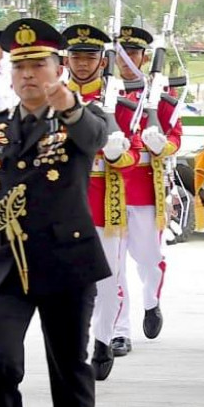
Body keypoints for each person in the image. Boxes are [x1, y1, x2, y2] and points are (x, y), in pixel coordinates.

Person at [0, 19, 112, 407]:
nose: (29, 75)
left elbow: (97, 141)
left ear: (59, 70)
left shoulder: (79, 119)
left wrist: (68, 106)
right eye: (21, 66)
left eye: (39, 65)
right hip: (6, 264)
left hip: (66, 263)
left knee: (70, 369)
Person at [62, 24, 134, 379]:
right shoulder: (54, 98)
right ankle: (73, 344)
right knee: (67, 284)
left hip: (106, 200)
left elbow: (133, 156)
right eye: (76, 56)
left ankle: (104, 340)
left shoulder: (119, 104)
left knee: (108, 279)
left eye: (90, 57)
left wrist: (117, 154)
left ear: (101, 61)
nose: (83, 63)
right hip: (65, 201)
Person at [110, 26, 183, 346]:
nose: (127, 62)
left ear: (144, 57)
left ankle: (151, 302)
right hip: (108, 190)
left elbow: (175, 138)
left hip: (143, 190)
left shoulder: (159, 97)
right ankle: (118, 331)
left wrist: (160, 146)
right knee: (112, 266)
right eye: (121, 55)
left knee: (149, 260)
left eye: (133, 54)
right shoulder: (104, 93)